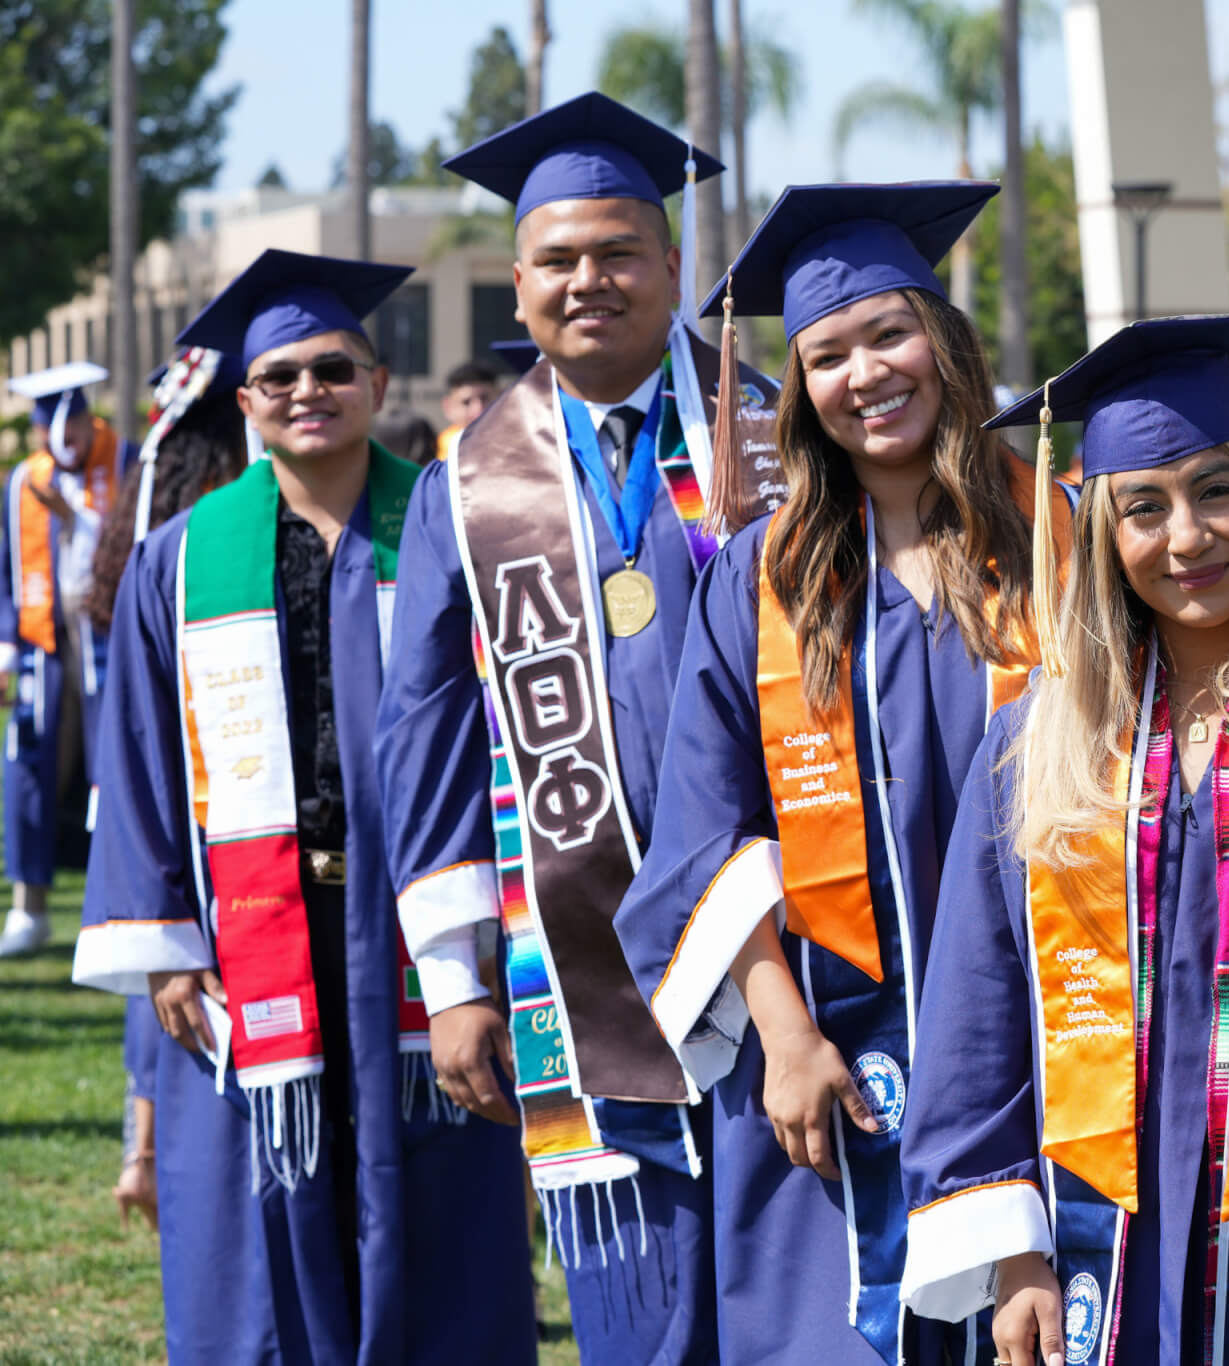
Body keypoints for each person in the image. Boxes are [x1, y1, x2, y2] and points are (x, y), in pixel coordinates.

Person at [895, 311, 1229, 1364]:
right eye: (1143, 507)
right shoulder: (1038, 744)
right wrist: (1012, 1247)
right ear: (1099, 532)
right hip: (1097, 1227)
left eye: (1216, 489)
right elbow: (978, 1004)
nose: (1186, 537)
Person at [71, 249, 536, 1364]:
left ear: (380, 386)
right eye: (279, 376)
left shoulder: (448, 525)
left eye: (333, 368)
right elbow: (136, 755)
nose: (306, 392)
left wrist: (493, 936)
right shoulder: (180, 563)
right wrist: (168, 947)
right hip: (250, 942)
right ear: (244, 403)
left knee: (435, 1212)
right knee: (255, 1225)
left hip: (426, 932)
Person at [612, 180, 1046, 1365]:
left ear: (944, 343)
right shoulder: (767, 577)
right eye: (826, 354)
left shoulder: (1056, 541)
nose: (865, 373)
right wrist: (785, 1036)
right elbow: (702, 831)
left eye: (889, 333)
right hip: (831, 1066)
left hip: (1051, 1057)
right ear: (796, 388)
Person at [377, 91, 728, 1366]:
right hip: (579, 965)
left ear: (674, 266)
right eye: (561, 260)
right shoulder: (465, 483)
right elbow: (424, 733)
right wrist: (456, 980)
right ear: (517, 285)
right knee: (636, 1317)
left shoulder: (775, 436)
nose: (591, 281)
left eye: (620, 252)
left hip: (790, 958)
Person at [84, 345, 251, 1233]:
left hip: (136, 772)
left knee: (153, 950)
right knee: (178, 960)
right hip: (207, 775)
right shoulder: (214, 525)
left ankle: (140, 1149)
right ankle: (150, 1150)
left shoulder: (145, 510)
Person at [0, 362, 135, 957]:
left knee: (114, 766)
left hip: (113, 640)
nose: (65, 438)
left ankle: (118, 901)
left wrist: (71, 518)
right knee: (28, 767)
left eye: (74, 422)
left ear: (88, 419)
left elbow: (137, 546)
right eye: (51, 428)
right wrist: (7, 642)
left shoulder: (126, 463)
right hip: (46, 645)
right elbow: (6, 571)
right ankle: (28, 906)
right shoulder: (21, 483)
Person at [434, 360, 505, 461]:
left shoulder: (521, 442)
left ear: (502, 397)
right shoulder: (439, 451)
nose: (479, 409)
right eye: (466, 402)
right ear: (448, 407)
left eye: (484, 398)